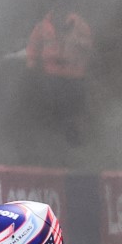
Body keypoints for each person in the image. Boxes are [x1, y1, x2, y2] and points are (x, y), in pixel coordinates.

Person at [25, 8, 94, 145]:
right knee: (56, 104)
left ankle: (74, 136)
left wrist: (75, 41)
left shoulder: (79, 24)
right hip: (53, 73)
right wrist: (31, 62)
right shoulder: (42, 26)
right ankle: (59, 133)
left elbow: (89, 45)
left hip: (75, 73)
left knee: (75, 106)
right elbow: (34, 44)